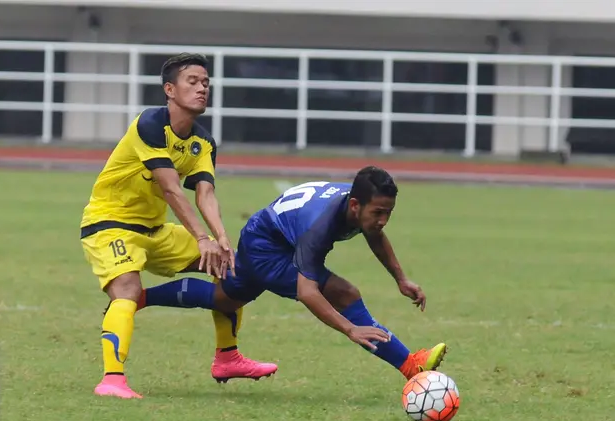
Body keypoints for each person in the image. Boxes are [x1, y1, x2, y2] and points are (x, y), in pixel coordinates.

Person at [79, 53, 277, 399]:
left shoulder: (203, 142)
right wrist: (201, 236)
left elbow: (205, 193)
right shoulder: (150, 124)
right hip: (109, 225)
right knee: (126, 288)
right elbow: (170, 188)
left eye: (205, 83)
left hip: (155, 230)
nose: (202, 88)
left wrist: (221, 240)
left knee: (231, 270)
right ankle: (112, 381)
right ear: (169, 89)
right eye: (192, 82)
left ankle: (227, 358)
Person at [137, 166, 448, 381]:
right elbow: (307, 292)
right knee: (345, 293)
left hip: (268, 233)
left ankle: (141, 297)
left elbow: (374, 234)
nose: (383, 220)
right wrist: (350, 329)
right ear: (354, 205)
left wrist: (401, 279)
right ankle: (410, 364)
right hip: (266, 247)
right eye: (378, 213)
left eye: (388, 213)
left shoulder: (357, 204)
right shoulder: (320, 227)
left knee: (224, 299)